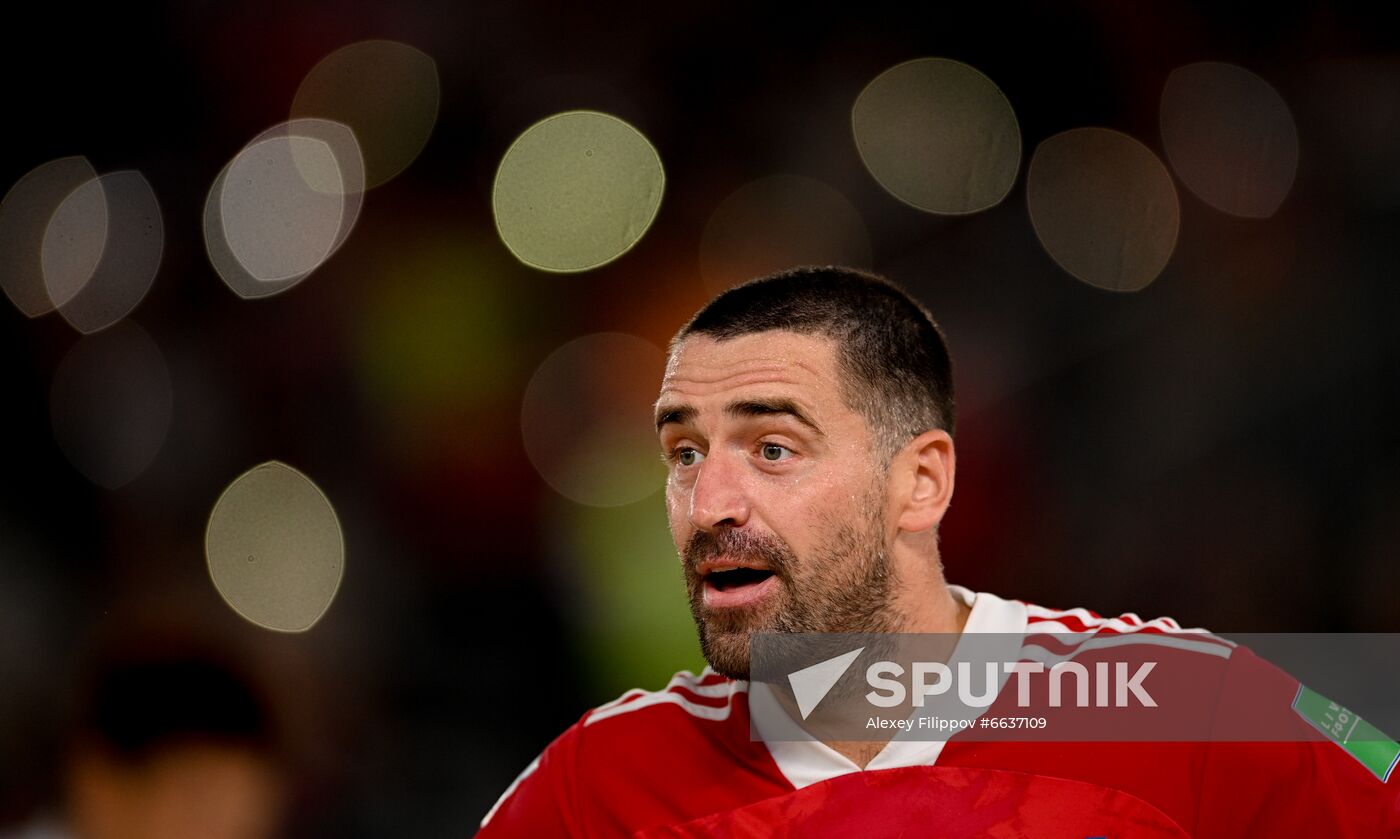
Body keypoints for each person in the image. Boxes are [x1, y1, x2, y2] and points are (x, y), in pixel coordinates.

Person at [477, 266, 1399, 837]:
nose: (710, 501)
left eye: (772, 449)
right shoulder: (592, 787)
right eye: (684, 452)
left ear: (919, 483)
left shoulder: (1190, 711)